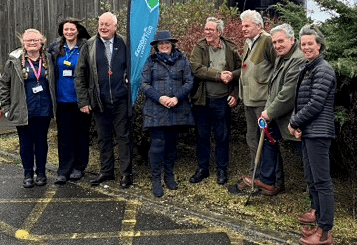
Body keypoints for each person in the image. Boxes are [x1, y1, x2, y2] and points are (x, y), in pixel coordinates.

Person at [229, 24, 305, 196]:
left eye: (281, 41)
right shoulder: (282, 56)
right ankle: (267, 181)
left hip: (294, 117)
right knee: (268, 140)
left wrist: (269, 112)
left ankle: (314, 200)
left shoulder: (297, 59)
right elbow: (274, 86)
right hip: (276, 112)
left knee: (307, 157)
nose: (277, 45)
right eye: (275, 42)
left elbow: (288, 93)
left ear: (292, 40)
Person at [288, 24, 336, 245]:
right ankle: (317, 224)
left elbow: (315, 104)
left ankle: (325, 233)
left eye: (310, 43)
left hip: (319, 132)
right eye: (303, 43)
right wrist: (298, 124)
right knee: (313, 180)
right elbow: (301, 100)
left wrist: (295, 122)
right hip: (308, 131)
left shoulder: (323, 69)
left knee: (322, 182)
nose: (306, 47)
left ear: (319, 45)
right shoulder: (309, 68)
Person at [75, 12, 133, 188]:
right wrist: (83, 101)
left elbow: (134, 68)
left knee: (123, 137)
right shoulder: (89, 45)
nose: (103, 27)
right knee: (103, 138)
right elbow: (80, 74)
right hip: (99, 100)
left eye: (107, 24)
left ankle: (126, 174)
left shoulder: (125, 43)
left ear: (115, 26)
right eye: (101, 24)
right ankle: (106, 171)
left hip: (121, 99)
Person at [140, 30, 195, 197]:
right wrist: (160, 98)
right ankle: (156, 179)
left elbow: (189, 81)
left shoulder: (182, 60)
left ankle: (169, 175)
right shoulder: (150, 61)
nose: (164, 45)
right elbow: (144, 84)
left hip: (176, 108)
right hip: (156, 109)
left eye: (167, 43)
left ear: (172, 45)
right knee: (157, 145)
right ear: (157, 46)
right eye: (161, 43)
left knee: (171, 144)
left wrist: (177, 97)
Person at [0, 29, 56, 188]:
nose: (32, 43)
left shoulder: (48, 59)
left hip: (43, 109)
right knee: (25, 144)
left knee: (41, 143)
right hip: (24, 110)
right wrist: (6, 107)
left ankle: (41, 172)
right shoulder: (14, 60)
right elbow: (4, 84)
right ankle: (27, 173)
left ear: (42, 42)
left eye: (35, 40)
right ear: (23, 43)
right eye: (28, 40)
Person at [189, 17, 241, 185]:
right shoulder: (199, 47)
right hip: (203, 101)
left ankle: (221, 169)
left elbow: (243, 70)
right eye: (206, 29)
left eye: (211, 30)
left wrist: (235, 93)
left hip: (222, 101)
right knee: (202, 136)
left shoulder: (231, 48)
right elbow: (196, 68)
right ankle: (202, 169)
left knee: (222, 136)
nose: (207, 32)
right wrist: (219, 75)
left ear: (219, 31)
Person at [234, 10, 277, 187]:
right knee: (252, 139)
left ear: (259, 26)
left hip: (262, 103)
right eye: (242, 25)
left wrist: (272, 101)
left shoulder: (267, 41)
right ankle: (255, 174)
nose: (243, 29)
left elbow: (278, 69)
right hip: (249, 101)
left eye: (247, 25)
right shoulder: (248, 43)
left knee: (266, 140)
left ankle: (271, 180)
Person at [48, 18, 91, 184]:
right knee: (64, 136)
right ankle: (64, 169)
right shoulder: (55, 47)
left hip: (80, 100)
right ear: (62, 31)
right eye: (66, 29)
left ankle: (79, 167)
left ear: (78, 30)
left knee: (81, 135)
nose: (69, 32)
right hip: (62, 100)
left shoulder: (85, 46)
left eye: (72, 29)